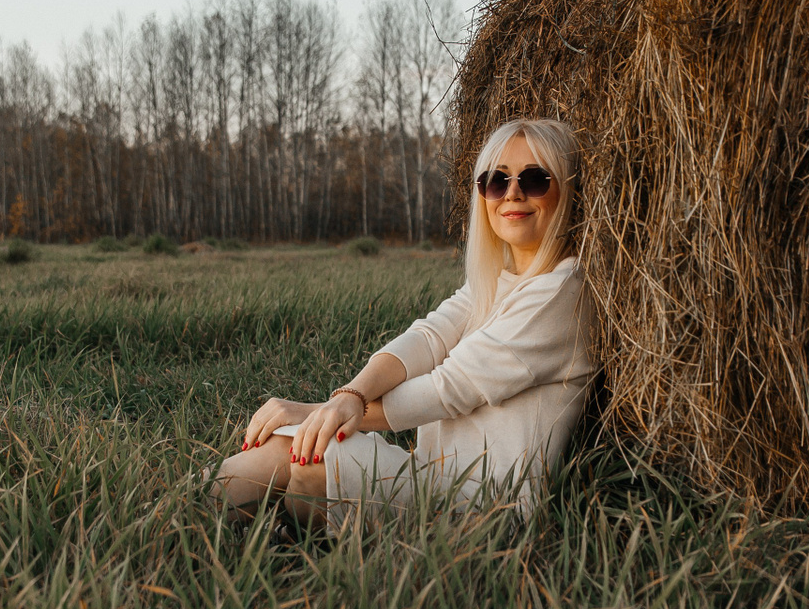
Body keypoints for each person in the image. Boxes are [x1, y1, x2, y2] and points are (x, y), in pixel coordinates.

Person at [212, 117, 597, 534]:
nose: (512, 193)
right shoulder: (493, 280)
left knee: (312, 453)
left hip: (488, 510)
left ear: (568, 191)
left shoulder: (563, 290)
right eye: (496, 180)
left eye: (535, 179)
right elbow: (427, 338)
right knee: (291, 443)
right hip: (431, 477)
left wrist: (320, 413)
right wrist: (349, 396)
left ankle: (243, 528)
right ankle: (192, 517)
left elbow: (449, 388)